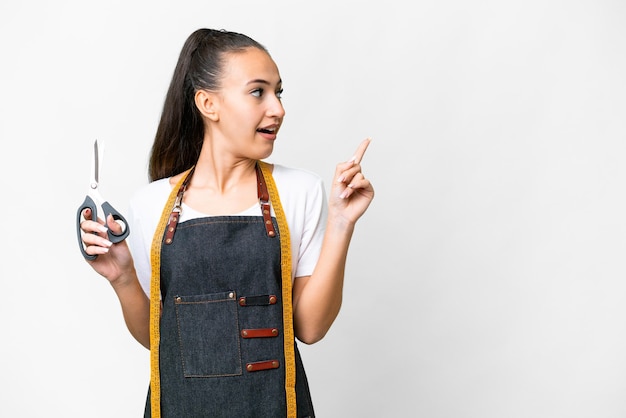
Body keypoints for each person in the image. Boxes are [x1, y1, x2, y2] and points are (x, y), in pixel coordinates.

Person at [79, 28, 374, 417]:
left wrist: (341, 222)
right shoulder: (151, 205)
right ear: (207, 103)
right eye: (258, 92)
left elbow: (310, 328)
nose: (278, 109)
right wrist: (123, 278)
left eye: (278, 92)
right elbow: (160, 341)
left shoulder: (300, 191)